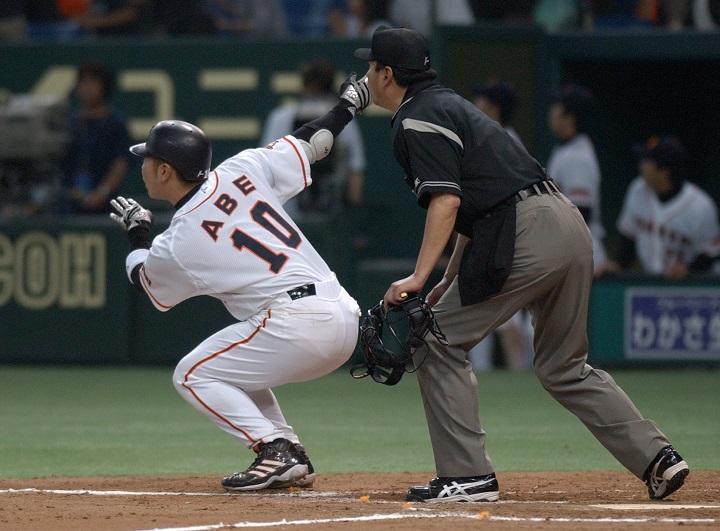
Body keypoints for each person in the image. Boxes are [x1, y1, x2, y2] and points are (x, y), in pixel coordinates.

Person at [352, 26, 689, 503]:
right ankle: (658, 457)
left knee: (433, 338)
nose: (367, 74)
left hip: (522, 231)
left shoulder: (416, 118)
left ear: (387, 75)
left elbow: (447, 202)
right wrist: (448, 279)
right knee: (563, 366)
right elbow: (479, 201)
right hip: (566, 226)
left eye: (371, 67)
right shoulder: (448, 104)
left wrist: (418, 276)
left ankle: (467, 476)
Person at [109, 74, 371, 491]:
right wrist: (349, 107)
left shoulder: (179, 241)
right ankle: (289, 452)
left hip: (297, 323)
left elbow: (145, 281)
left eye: (147, 159)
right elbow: (313, 142)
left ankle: (273, 449)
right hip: (343, 313)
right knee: (237, 370)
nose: (141, 165)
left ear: (164, 171)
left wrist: (138, 232)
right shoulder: (241, 168)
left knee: (192, 373)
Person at [468, 78, 532, 372]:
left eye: (481, 99)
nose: (475, 104)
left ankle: (524, 380)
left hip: (509, 237)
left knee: (507, 323)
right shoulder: (496, 137)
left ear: (493, 107)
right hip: (498, 235)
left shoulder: (502, 141)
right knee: (485, 319)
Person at [260, 60, 366, 221]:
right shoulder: (345, 119)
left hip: (286, 212)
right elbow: (355, 167)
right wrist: (353, 204)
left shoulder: (281, 117)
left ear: (305, 84)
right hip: (331, 209)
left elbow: (264, 165)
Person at [604, 135, 720, 279]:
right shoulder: (637, 190)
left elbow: (712, 252)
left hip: (691, 291)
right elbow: (629, 238)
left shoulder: (700, 206)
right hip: (653, 285)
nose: (641, 165)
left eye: (647, 161)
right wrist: (618, 265)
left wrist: (688, 269)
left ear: (664, 171)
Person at [546, 83, 609, 275]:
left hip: (580, 255)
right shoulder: (564, 149)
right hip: (570, 252)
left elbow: (580, 215)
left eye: (557, 107)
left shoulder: (578, 157)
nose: (551, 111)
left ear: (569, 118)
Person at [59, 61, 132, 214]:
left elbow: (121, 162)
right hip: (68, 204)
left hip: (106, 205)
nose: (86, 88)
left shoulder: (115, 123)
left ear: (104, 87)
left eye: (92, 83)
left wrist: (102, 193)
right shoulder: (69, 122)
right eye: (82, 83)